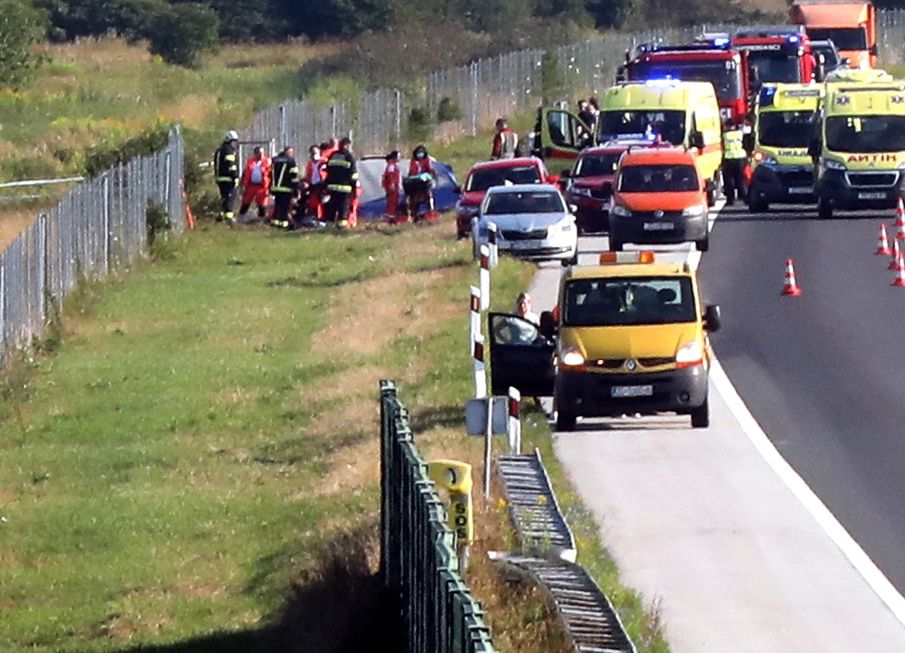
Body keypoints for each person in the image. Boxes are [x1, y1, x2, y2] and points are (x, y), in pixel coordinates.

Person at [324, 136, 358, 228]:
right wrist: (354, 186)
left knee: (332, 205)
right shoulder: (348, 156)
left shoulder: (333, 155)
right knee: (343, 206)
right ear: (347, 145)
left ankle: (329, 224)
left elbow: (327, 169)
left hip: (332, 186)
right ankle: (342, 224)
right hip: (345, 187)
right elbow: (353, 174)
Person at [238, 146, 271, 223]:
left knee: (262, 203)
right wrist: (242, 185)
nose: (261, 155)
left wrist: (270, 187)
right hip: (251, 185)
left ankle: (261, 220)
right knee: (246, 201)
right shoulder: (250, 161)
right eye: (259, 153)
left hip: (262, 186)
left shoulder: (267, 161)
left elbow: (271, 174)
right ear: (255, 153)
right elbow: (245, 173)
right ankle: (241, 218)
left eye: (262, 153)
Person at [213, 130, 240, 223]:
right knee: (230, 198)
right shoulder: (228, 150)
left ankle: (222, 216)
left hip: (220, 179)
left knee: (224, 198)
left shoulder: (219, 150)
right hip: (228, 179)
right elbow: (231, 165)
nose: (235, 144)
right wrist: (235, 177)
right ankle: (229, 218)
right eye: (234, 141)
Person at [270, 146, 299, 228]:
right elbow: (294, 176)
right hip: (286, 188)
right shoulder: (291, 161)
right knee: (284, 208)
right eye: (291, 152)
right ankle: (283, 224)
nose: (291, 154)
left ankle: (275, 222)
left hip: (275, 188)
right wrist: (296, 190)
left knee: (277, 206)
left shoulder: (275, 160)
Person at [406, 144, 436, 222]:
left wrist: (430, 174)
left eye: (421, 152)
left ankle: (430, 212)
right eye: (418, 153)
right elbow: (412, 172)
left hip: (425, 181)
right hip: (415, 181)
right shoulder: (414, 161)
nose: (420, 154)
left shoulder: (427, 160)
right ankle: (415, 214)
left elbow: (429, 169)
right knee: (415, 198)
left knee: (428, 195)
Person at [298, 144, 326, 225]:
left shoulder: (324, 162)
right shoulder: (310, 164)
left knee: (320, 202)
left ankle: (321, 219)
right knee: (310, 202)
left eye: (315, 152)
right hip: (312, 185)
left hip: (322, 185)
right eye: (312, 153)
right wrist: (306, 182)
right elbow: (309, 176)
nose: (314, 155)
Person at [722, 120, 747, 206]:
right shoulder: (739, 134)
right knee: (741, 180)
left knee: (729, 181)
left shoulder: (724, 135)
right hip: (741, 158)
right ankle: (745, 198)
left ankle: (730, 200)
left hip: (729, 158)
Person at [382, 150, 402, 223]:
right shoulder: (391, 165)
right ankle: (391, 216)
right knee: (392, 201)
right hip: (391, 186)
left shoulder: (394, 165)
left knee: (394, 200)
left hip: (394, 185)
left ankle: (392, 215)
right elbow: (390, 175)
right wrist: (392, 183)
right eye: (398, 156)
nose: (400, 158)